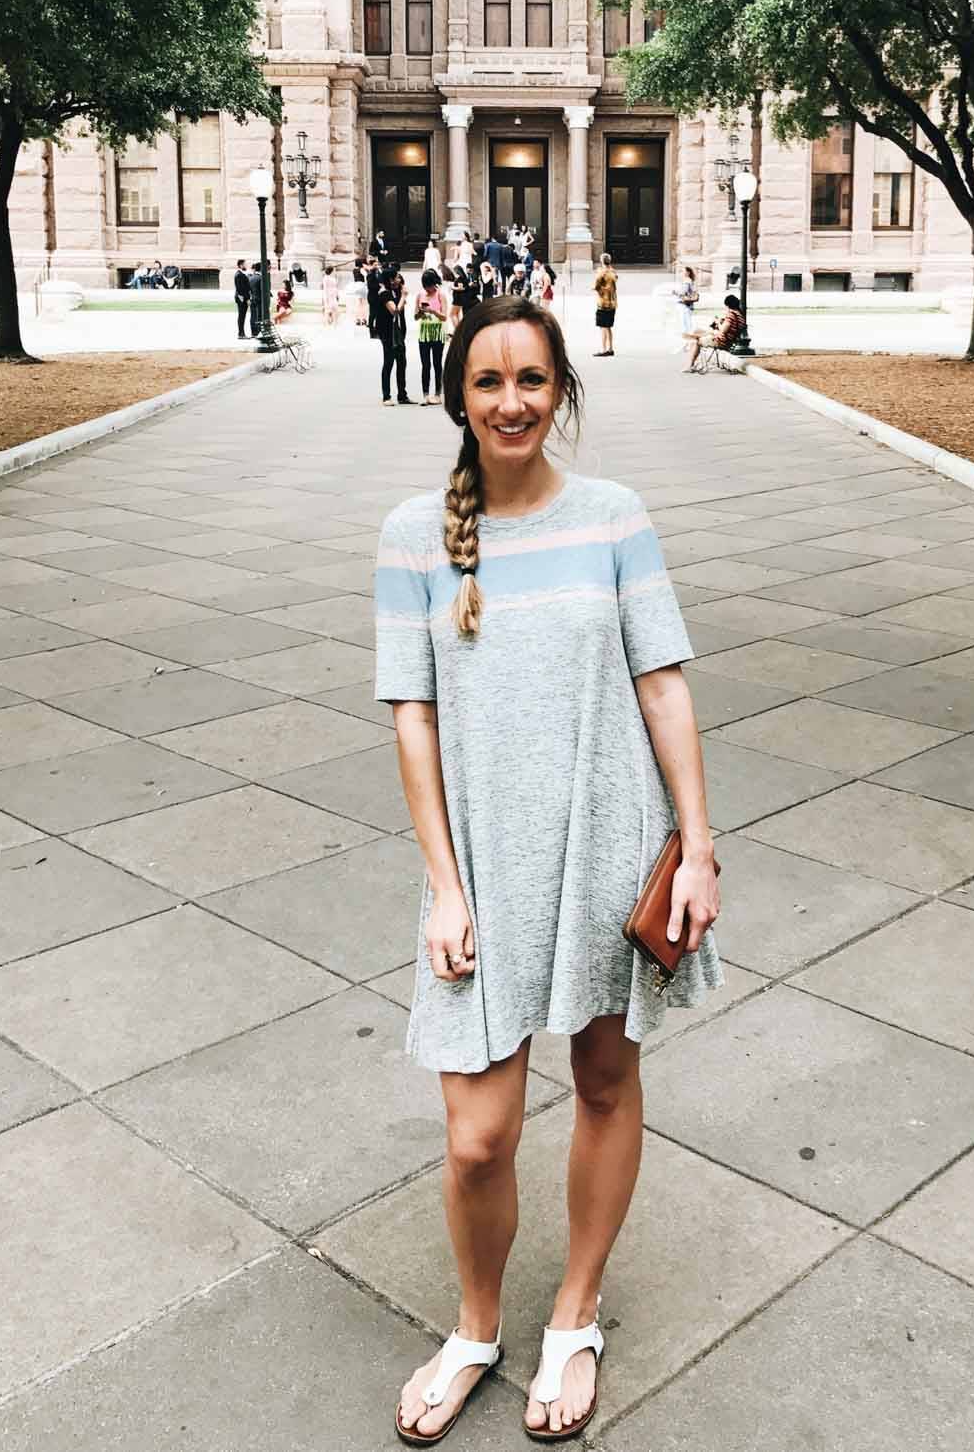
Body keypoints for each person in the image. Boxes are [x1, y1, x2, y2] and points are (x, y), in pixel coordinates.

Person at [378, 296, 722, 1446]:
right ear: (457, 396)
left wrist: (699, 846)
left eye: (533, 379)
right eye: (489, 381)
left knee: (606, 1081)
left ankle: (573, 1312)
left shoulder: (616, 518)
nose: (513, 401)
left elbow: (662, 682)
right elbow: (413, 718)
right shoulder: (412, 535)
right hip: (484, 857)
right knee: (478, 1132)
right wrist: (443, 881)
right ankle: (477, 1326)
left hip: (606, 838)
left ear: (561, 390)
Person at [373, 263, 412, 406]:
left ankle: (402, 395)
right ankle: (386, 396)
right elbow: (394, 310)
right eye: (396, 277)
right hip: (387, 332)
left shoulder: (395, 291)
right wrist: (404, 297)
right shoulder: (384, 293)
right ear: (390, 280)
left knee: (402, 362)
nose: (399, 280)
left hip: (398, 333)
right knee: (389, 361)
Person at [682, 294, 744, 371]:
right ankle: (692, 337)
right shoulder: (740, 315)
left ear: (728, 305)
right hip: (727, 340)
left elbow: (723, 330)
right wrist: (720, 322)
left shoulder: (731, 315)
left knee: (696, 342)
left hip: (721, 341)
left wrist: (718, 322)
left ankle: (690, 366)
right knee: (698, 331)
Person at [415, 268, 448, 404]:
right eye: (425, 286)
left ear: (434, 283)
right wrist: (421, 313)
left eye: (429, 286)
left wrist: (433, 311)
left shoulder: (441, 295)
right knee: (425, 364)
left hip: (437, 332)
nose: (427, 289)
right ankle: (425, 394)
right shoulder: (420, 295)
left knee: (437, 363)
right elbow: (415, 316)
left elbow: (444, 317)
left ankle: (438, 394)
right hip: (424, 333)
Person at [593, 253, 618, 357]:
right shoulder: (613, 271)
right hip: (613, 302)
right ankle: (610, 348)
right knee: (608, 327)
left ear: (602, 261)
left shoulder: (601, 273)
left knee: (603, 327)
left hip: (603, 303)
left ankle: (604, 349)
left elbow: (596, 286)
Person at [675, 265, 700, 338]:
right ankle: (688, 336)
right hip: (687, 304)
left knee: (684, 322)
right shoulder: (690, 281)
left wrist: (676, 292)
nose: (681, 273)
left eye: (683, 271)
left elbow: (683, 292)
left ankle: (687, 337)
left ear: (688, 273)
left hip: (684, 304)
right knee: (687, 321)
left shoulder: (687, 281)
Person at [232, 259, 251, 339]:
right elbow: (241, 289)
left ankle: (241, 333)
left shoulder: (241, 274)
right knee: (241, 316)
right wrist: (246, 299)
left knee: (242, 316)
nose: (246, 266)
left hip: (242, 298)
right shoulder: (239, 274)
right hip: (241, 298)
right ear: (241, 265)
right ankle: (241, 334)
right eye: (245, 264)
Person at [347, 260, 369, 329]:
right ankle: (363, 319)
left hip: (356, 286)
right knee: (364, 304)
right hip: (362, 285)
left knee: (358, 304)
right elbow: (366, 277)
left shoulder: (354, 270)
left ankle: (358, 319)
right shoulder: (362, 269)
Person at [246, 261, 264, 337]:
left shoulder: (250, 277)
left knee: (253, 316)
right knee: (259, 316)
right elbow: (262, 290)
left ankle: (253, 333)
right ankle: (259, 332)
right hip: (259, 299)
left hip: (252, 299)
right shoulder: (260, 278)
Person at [321, 261, 341, 327]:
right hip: (328, 296)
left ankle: (335, 323)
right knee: (328, 310)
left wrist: (337, 295)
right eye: (334, 270)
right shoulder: (325, 278)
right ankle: (326, 323)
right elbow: (325, 288)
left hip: (334, 295)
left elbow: (336, 287)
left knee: (336, 310)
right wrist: (326, 298)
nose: (335, 271)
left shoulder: (333, 278)